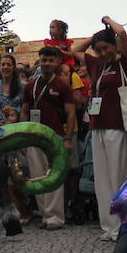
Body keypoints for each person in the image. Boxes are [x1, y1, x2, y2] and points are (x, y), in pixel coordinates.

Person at [70, 18, 127, 242]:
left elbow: (123, 34)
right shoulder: (96, 64)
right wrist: (96, 36)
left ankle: (126, 226)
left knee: (120, 176)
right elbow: (74, 49)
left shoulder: (125, 62)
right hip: (97, 127)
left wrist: (107, 22)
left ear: (114, 46)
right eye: (98, 49)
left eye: (105, 47)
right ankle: (109, 226)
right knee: (103, 180)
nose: (102, 52)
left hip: (117, 125)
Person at [21, 46, 76, 229]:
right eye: (44, 60)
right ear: (40, 61)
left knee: (53, 176)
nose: (47, 63)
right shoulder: (30, 85)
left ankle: (55, 217)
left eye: (51, 60)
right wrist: (23, 135)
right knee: (38, 176)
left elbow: (70, 113)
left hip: (55, 136)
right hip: (34, 137)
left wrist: (68, 138)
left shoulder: (62, 86)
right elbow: (24, 111)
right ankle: (45, 215)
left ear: (57, 62)